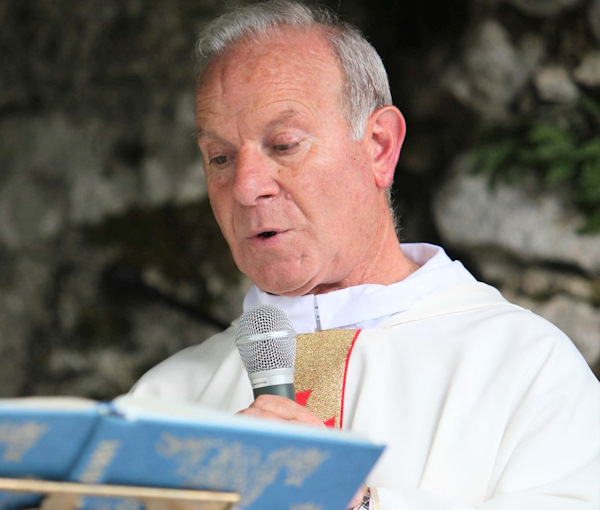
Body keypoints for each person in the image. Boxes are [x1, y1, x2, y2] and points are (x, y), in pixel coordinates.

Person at [130, 1, 600, 509]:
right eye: (220, 158)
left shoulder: (523, 367)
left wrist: (357, 502)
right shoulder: (162, 401)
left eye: (284, 144)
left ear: (378, 146)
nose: (245, 188)